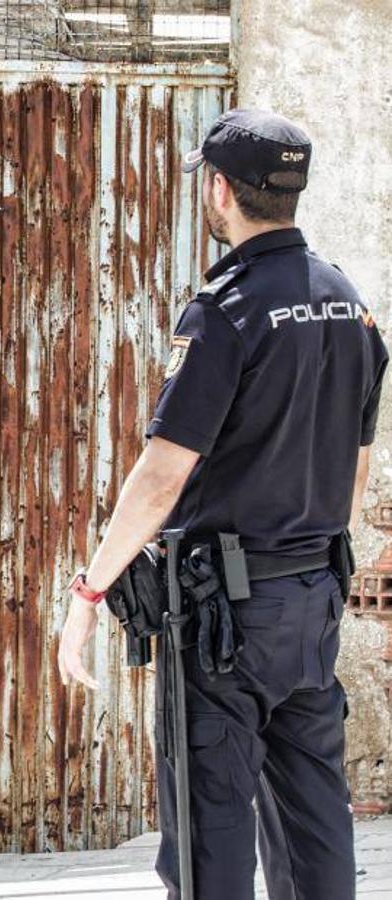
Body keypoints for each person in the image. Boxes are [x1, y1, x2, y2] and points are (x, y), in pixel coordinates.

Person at [57, 109, 387, 900]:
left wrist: (87, 592)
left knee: (210, 825)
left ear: (217, 189)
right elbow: (353, 467)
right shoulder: (349, 303)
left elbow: (161, 474)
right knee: (313, 815)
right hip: (310, 597)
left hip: (224, 619)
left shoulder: (226, 310)